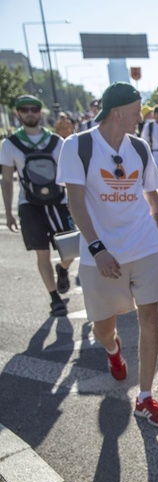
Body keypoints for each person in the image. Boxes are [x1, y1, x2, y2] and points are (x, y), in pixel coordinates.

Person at [57, 82, 158, 428]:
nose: (141, 117)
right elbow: (76, 202)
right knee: (103, 329)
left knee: (150, 319)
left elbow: (155, 198)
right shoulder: (77, 146)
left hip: (144, 246)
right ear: (119, 112)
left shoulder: (138, 147)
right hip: (102, 255)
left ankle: (145, 398)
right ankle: (112, 349)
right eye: (137, 111)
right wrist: (97, 247)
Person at [0, 94, 74, 316]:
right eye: (25, 110)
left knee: (70, 251)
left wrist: (76, 205)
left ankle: (62, 270)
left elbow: (70, 175)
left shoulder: (56, 142)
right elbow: (6, 179)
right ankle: (54, 298)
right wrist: (9, 213)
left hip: (59, 203)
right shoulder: (10, 144)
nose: (29, 113)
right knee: (42, 254)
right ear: (18, 114)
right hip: (30, 205)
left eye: (34, 109)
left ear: (40, 113)